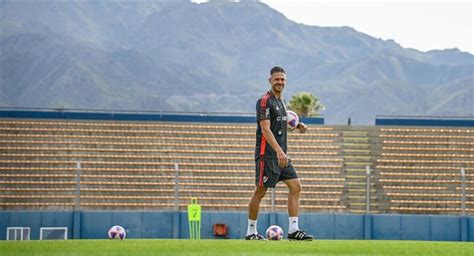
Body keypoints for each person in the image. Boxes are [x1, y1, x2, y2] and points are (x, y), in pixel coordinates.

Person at [245, 66, 315, 241]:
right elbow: (266, 129)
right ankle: (251, 232)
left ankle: (293, 230)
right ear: (270, 80)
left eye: (283, 79)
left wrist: (298, 125)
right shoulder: (264, 101)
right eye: (277, 79)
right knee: (260, 192)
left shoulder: (282, 103)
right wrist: (278, 152)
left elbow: (283, 123)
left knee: (296, 186)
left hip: (281, 156)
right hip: (267, 155)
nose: (280, 82)